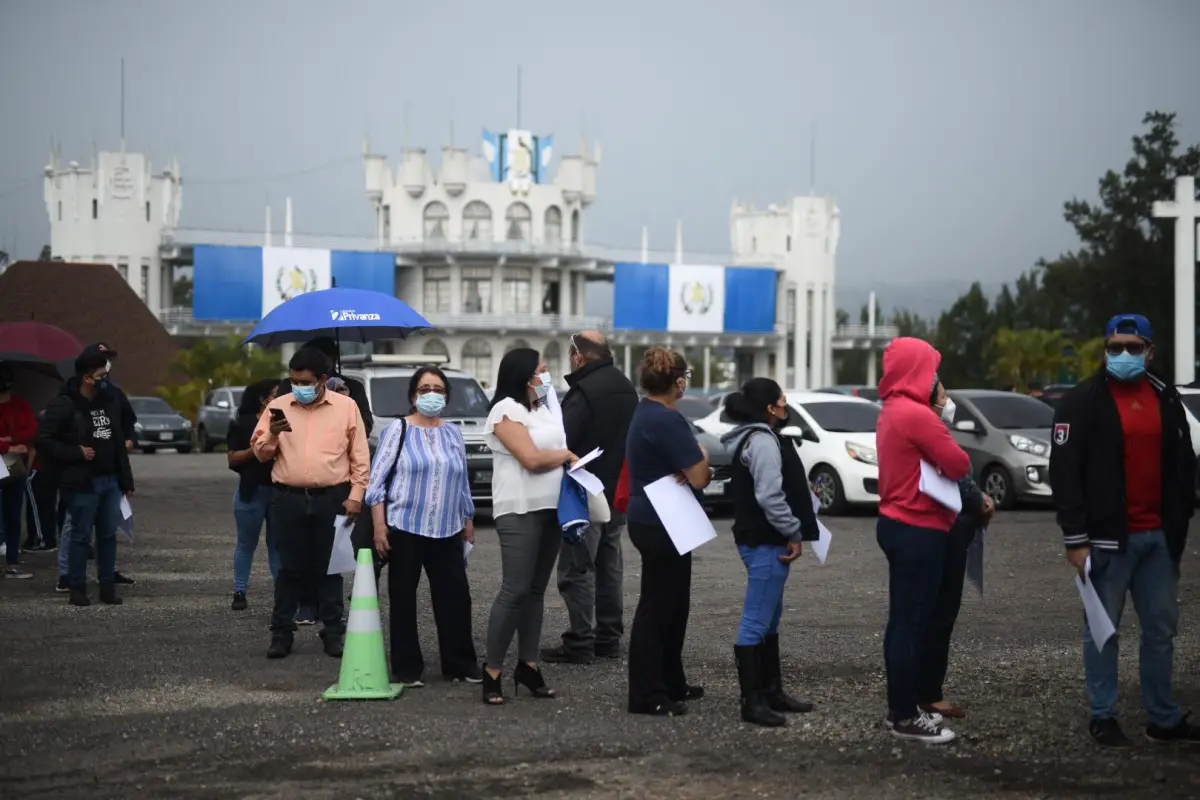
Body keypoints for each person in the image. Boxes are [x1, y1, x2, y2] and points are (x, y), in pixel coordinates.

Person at [1050, 314, 1199, 746]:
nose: (1123, 355)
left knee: (1161, 631)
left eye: (1133, 347)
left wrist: (1179, 522)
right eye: (1115, 347)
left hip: (1159, 540)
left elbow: (1183, 463)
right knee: (1102, 631)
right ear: (1105, 350)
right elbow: (1065, 472)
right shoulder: (1083, 401)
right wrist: (1075, 539)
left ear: (1150, 351)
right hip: (1106, 542)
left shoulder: (1165, 396)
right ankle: (1103, 715)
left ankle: (1163, 718)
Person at [874, 337, 971, 744]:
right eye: (931, 370)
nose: (936, 380)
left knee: (903, 623)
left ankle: (904, 708)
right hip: (919, 528)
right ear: (917, 372)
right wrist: (938, 419)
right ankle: (905, 715)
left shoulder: (892, 410)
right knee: (912, 625)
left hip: (896, 524)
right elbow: (959, 463)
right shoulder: (917, 415)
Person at [253, 347, 370, 659]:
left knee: (329, 569)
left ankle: (333, 632)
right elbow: (260, 452)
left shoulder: (346, 407)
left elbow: (360, 458)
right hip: (287, 498)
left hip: (332, 498)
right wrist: (274, 436)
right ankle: (281, 633)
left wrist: (356, 497)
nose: (299, 387)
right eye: (293, 381)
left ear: (323, 380)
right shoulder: (278, 407)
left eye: (305, 382)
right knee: (288, 569)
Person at [368, 366, 481, 687]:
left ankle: (460, 664)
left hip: (447, 529)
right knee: (403, 599)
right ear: (414, 395)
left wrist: (468, 519)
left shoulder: (454, 432)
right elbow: (377, 482)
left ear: (446, 396)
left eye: (438, 389)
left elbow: (461, 481)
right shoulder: (398, 429)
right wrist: (379, 526)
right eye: (425, 388)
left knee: (456, 598)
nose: (432, 394)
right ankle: (407, 669)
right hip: (405, 526)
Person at [719, 378, 819, 727]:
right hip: (765, 540)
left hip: (761, 538)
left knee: (770, 617)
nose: (786, 403)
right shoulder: (761, 441)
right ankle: (753, 701)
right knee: (756, 620)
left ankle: (771, 691)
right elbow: (769, 496)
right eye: (781, 399)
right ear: (770, 408)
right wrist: (793, 529)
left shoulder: (756, 436)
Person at [481, 348, 576, 705]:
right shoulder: (505, 410)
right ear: (524, 375)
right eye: (542, 370)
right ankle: (491, 672)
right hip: (518, 508)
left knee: (536, 591)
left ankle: (528, 665)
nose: (547, 376)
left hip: (551, 507)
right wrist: (567, 456)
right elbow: (531, 459)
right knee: (515, 589)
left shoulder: (545, 410)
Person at [541, 331, 638, 665]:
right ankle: (609, 637)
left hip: (585, 489)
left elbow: (565, 437)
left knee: (578, 567)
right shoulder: (626, 387)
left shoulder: (584, 391)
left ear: (578, 356)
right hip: (616, 491)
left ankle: (580, 641)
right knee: (609, 565)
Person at [624, 347, 711, 717]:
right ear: (677, 381)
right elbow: (699, 477)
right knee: (659, 608)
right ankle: (647, 693)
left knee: (673, 605)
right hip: (664, 519)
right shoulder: (669, 420)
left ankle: (671, 681)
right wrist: (702, 452)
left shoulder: (645, 411)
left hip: (653, 517)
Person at [917, 389, 994, 721]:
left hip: (945, 530)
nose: (949, 402)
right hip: (940, 531)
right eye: (943, 394)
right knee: (937, 615)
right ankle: (926, 695)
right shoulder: (926, 430)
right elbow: (958, 470)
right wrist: (981, 501)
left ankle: (923, 692)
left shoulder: (921, 427)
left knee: (933, 615)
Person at [36, 350, 135, 606]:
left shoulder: (109, 401)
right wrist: (74, 452)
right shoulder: (65, 404)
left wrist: (126, 480)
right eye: (102, 375)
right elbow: (44, 439)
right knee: (80, 536)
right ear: (87, 378)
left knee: (107, 536)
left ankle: (107, 588)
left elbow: (116, 442)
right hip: (82, 482)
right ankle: (77, 587)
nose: (106, 379)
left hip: (109, 480)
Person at [227, 378, 283, 611]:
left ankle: (282, 593)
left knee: (278, 545)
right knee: (246, 544)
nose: (280, 398)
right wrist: (257, 448)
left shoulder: (285, 421)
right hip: (252, 491)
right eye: (276, 394)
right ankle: (239, 591)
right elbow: (232, 458)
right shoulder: (243, 424)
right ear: (263, 399)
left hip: (280, 491)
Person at [0, 361, 37, 578]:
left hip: (14, 467)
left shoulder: (21, 405)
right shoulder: (21, 404)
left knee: (13, 516)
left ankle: (12, 562)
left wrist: (9, 441)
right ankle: (12, 563)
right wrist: (9, 445)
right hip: (12, 460)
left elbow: (32, 429)